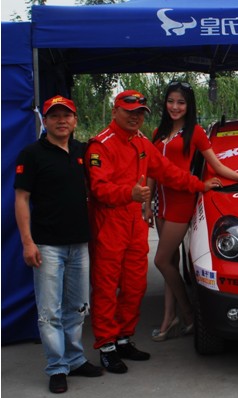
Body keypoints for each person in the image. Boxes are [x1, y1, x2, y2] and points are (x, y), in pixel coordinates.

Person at [85, 90, 222, 374]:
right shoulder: (101, 145)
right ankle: (107, 346)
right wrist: (130, 194)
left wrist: (200, 185)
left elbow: (169, 173)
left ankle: (124, 338)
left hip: (135, 224)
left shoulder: (142, 142)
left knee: (136, 284)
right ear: (115, 111)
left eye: (140, 113)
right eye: (129, 111)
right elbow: (98, 188)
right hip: (109, 224)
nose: (135, 117)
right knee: (107, 287)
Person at [145, 81, 238, 341]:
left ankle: (188, 314)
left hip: (181, 202)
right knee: (170, 264)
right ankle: (169, 317)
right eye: (171, 101)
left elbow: (217, 166)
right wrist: (147, 204)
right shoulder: (158, 132)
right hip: (160, 202)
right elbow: (152, 170)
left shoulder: (196, 132)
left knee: (161, 261)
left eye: (181, 102)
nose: (175, 107)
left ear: (189, 106)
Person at [14, 95, 103, 394]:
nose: (61, 121)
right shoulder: (31, 154)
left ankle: (75, 360)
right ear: (46, 121)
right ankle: (57, 367)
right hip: (47, 245)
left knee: (77, 307)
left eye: (67, 115)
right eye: (54, 116)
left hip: (79, 243)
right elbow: (21, 199)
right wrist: (28, 242)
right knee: (49, 311)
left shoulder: (81, 151)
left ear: (75, 120)